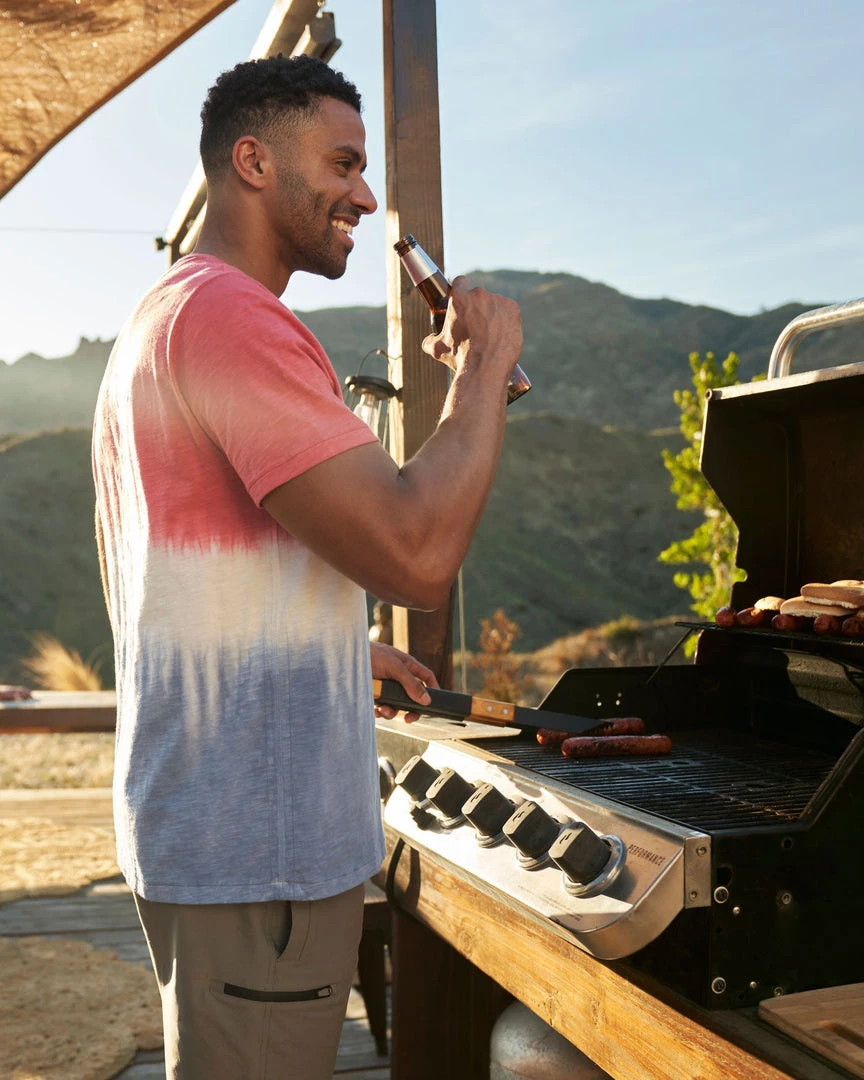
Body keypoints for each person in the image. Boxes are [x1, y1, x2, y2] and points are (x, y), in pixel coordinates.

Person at [92, 55, 522, 1080]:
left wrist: (335, 640)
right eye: (342, 163)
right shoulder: (235, 320)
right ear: (252, 161)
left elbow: (196, 565)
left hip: (205, 833)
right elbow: (416, 551)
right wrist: (482, 371)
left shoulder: (165, 315)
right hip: (260, 852)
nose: (367, 198)